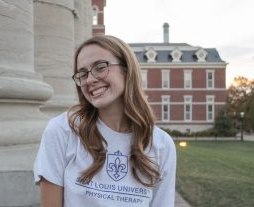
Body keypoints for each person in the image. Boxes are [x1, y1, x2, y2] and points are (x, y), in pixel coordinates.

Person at [34, 35, 176, 207]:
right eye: (83, 74)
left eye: (100, 67)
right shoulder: (63, 130)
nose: (90, 80)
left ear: (127, 69)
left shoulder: (161, 144)